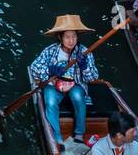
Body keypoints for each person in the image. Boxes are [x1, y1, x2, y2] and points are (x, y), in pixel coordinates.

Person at [28, 15, 98, 143]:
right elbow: (33, 68)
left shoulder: (84, 52)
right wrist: (49, 70)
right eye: (67, 37)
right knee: (50, 101)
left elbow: (93, 78)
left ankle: (79, 134)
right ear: (60, 37)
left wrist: (84, 67)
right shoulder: (50, 51)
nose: (71, 40)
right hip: (54, 85)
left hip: (75, 84)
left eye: (74, 36)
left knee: (78, 97)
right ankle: (57, 136)